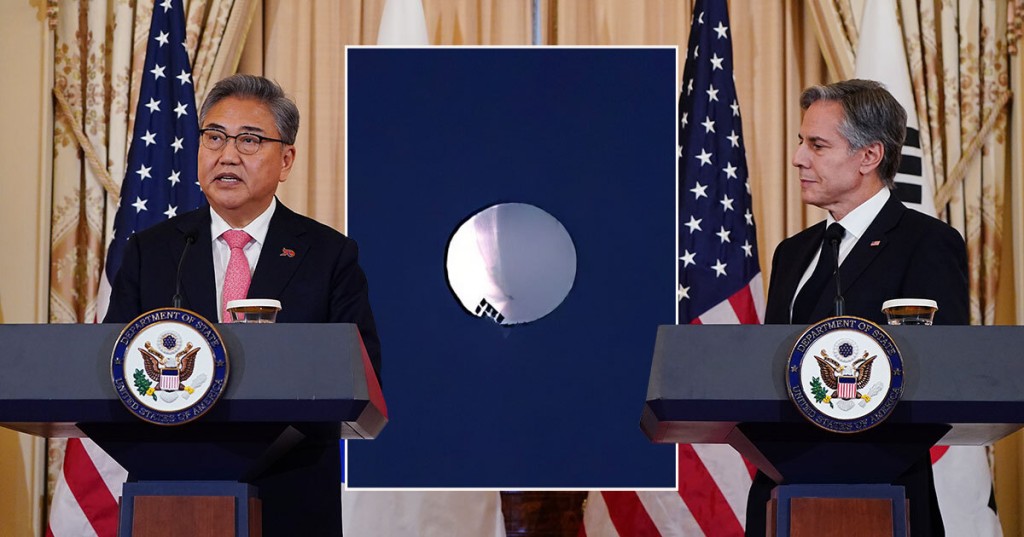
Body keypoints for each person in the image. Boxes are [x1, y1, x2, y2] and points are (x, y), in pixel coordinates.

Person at [105, 73, 380, 536]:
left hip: (291, 494)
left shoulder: (328, 254)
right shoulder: (151, 251)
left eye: (249, 140)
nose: (227, 155)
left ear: (286, 159)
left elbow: (361, 368)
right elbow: (108, 366)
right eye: (214, 137)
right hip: (169, 493)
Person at [745, 79, 969, 536]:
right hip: (781, 491)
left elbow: (944, 373)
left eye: (817, 145)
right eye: (800, 141)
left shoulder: (926, 244)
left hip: (883, 492)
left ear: (869, 156)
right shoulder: (794, 252)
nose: (798, 158)